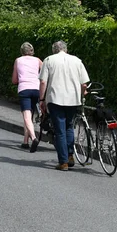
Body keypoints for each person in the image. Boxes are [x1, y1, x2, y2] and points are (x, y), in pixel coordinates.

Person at [39, 40, 90, 171]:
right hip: (73, 100)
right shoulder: (77, 61)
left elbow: (43, 82)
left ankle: (63, 162)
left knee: (59, 131)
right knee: (69, 127)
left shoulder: (49, 60)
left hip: (55, 99)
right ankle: (70, 155)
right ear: (65, 49)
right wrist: (81, 93)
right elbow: (84, 84)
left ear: (54, 50)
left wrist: (41, 99)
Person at [12, 42, 43, 152]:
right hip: (36, 89)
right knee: (30, 116)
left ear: (22, 51)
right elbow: (45, 73)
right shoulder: (38, 60)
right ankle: (25, 141)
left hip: (24, 89)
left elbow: (14, 80)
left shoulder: (18, 60)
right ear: (32, 51)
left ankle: (33, 138)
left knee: (26, 115)